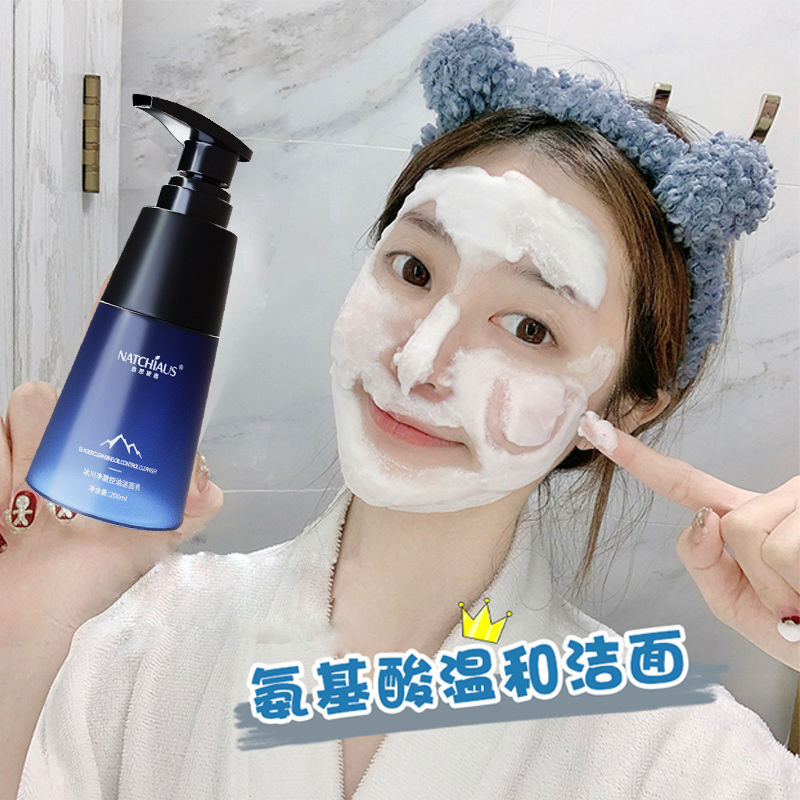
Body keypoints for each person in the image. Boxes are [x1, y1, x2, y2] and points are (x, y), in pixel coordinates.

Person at [2, 19, 798, 800]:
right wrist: (56, 588)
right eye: (414, 270)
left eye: (529, 328)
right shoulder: (135, 644)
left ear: (625, 409)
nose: (419, 362)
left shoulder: (677, 755)